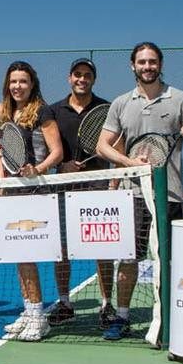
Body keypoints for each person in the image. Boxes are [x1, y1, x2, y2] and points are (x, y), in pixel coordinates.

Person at [95, 42, 183, 340]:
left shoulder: (180, 99)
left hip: (171, 196)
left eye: (152, 61)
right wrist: (130, 163)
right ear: (133, 66)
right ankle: (123, 316)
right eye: (142, 62)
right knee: (128, 259)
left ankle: (171, 316)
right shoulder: (121, 103)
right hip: (133, 195)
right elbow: (103, 145)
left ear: (160, 64)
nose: (147, 66)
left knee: (170, 259)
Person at [43, 58, 116, 329]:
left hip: (98, 185)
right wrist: (62, 166)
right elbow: (50, 149)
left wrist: (113, 183)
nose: (81, 79)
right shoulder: (53, 111)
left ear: (93, 79)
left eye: (87, 75)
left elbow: (115, 145)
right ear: (69, 78)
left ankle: (107, 304)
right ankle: (64, 303)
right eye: (77, 75)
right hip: (63, 186)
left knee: (103, 249)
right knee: (61, 249)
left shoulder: (106, 109)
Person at [0, 61, 63, 342]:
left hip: (35, 193)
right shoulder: (6, 112)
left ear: (32, 84)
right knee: (17, 256)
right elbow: (3, 151)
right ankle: (28, 309)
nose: (17, 86)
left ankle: (39, 316)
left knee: (28, 256)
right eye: (13, 81)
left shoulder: (42, 112)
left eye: (23, 81)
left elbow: (57, 152)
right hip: (11, 192)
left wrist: (38, 169)